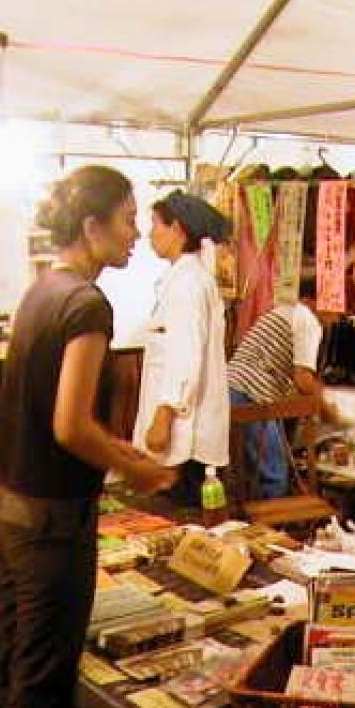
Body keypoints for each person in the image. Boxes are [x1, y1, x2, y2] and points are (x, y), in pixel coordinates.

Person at [0, 166, 174, 708]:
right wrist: (134, 467)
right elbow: (69, 425)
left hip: (11, 508)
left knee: (2, 667)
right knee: (38, 683)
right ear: (91, 226)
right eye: (127, 218)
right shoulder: (87, 305)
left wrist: (114, 449)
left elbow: (52, 418)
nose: (134, 233)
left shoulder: (41, 291)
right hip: (53, 523)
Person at [132, 191, 232, 506]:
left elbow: (186, 355)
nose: (150, 234)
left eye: (155, 224)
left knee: (184, 512)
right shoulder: (185, 277)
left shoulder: (188, 282)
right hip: (184, 426)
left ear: (177, 229)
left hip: (185, 431)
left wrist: (163, 417)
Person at [226, 293, 336, 499]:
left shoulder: (286, 310)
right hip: (249, 394)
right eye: (337, 311)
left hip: (234, 388)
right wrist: (330, 407)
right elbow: (303, 379)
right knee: (274, 476)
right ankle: (271, 519)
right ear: (316, 300)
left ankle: (257, 514)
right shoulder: (308, 320)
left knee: (256, 474)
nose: (336, 319)